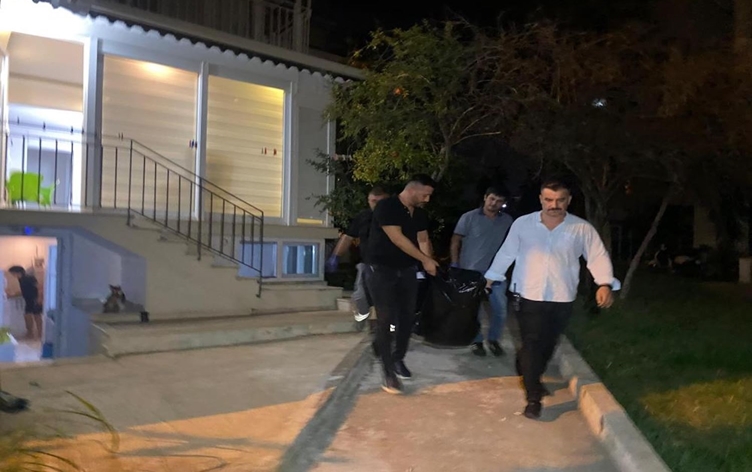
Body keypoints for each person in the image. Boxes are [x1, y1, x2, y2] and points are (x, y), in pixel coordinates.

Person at [484, 178, 620, 419]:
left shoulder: (581, 229)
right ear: (541, 199)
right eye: (548, 199)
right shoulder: (523, 224)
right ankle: (533, 397)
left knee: (548, 344)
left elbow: (597, 256)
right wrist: (491, 278)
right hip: (528, 294)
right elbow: (507, 253)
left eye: (560, 200)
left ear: (568, 200)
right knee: (532, 343)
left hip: (562, 295)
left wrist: (604, 283)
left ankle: (532, 376)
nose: (554, 205)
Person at [367, 174, 439, 394]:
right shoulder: (387, 206)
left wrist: (429, 263)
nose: (427, 199)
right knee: (386, 319)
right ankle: (388, 372)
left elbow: (423, 239)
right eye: (425, 195)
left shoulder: (419, 214)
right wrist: (424, 260)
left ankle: (398, 357)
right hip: (382, 270)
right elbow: (397, 239)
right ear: (413, 189)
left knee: (407, 317)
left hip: (407, 271)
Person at [450, 186, 514, 357]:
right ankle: (477, 340)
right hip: (471, 271)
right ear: (485, 197)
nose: (494, 203)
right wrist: (455, 263)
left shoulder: (507, 221)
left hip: (496, 272)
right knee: (473, 309)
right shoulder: (469, 217)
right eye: (492, 199)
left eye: (499, 201)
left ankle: (493, 339)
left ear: (503, 203)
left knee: (500, 309)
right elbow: (456, 240)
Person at [326, 187, 389, 324]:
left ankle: (386, 326)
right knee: (360, 296)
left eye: (380, 201)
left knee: (385, 298)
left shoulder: (394, 217)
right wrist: (335, 256)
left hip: (388, 265)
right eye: (373, 201)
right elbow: (348, 237)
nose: (376, 205)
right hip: (367, 263)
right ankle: (363, 318)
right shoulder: (363, 217)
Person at [5, 266, 43, 340]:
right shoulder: (21, 279)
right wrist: (12, 295)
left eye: (13, 273)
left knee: (37, 316)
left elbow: (39, 287)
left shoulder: (29, 278)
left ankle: (39, 334)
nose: (12, 275)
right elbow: (24, 291)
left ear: (17, 272)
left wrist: (39, 298)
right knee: (27, 315)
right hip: (28, 299)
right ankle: (30, 333)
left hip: (34, 298)